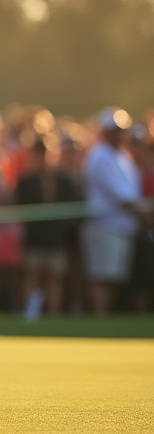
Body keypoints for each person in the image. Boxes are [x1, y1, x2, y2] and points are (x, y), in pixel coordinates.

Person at [82, 108, 147, 315]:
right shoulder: (100, 156)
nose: (119, 134)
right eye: (114, 130)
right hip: (105, 227)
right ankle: (101, 319)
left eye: (121, 130)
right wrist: (143, 214)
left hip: (121, 228)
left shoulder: (122, 155)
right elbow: (122, 196)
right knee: (104, 278)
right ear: (105, 131)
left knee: (115, 277)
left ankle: (106, 317)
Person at [15, 135, 81, 319]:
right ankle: (30, 314)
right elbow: (20, 207)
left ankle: (53, 315)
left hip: (56, 237)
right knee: (32, 276)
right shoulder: (25, 181)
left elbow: (71, 207)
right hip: (34, 237)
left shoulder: (63, 179)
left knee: (55, 278)